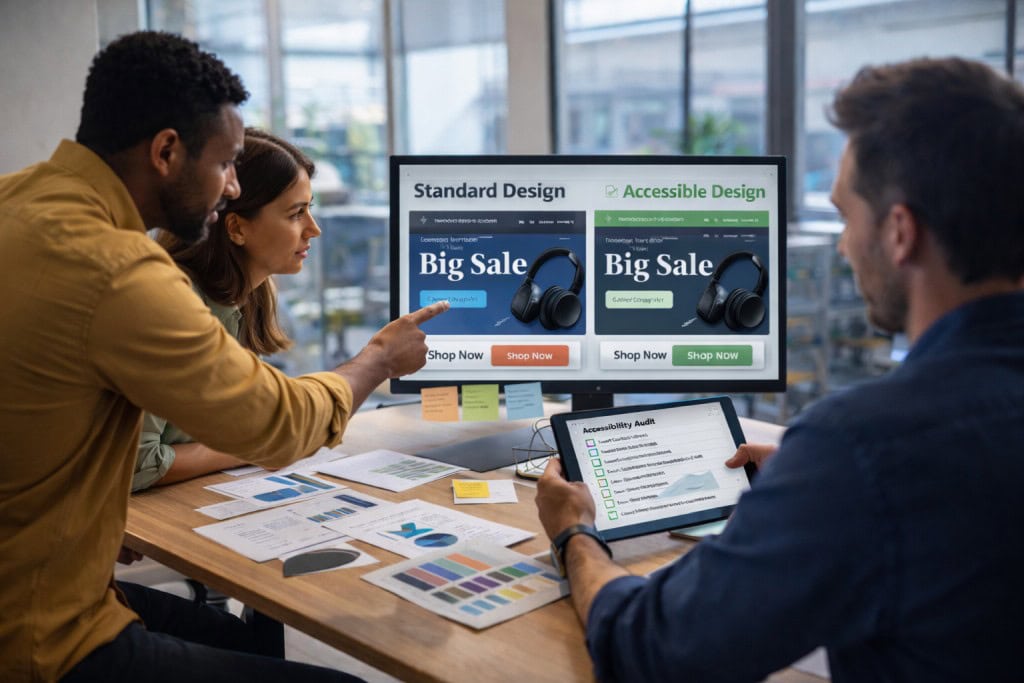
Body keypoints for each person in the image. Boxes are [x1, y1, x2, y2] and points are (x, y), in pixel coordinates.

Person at [536, 56, 1024, 682]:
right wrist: (811, 494)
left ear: (900, 233)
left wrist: (575, 535)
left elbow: (654, 649)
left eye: (847, 217)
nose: (844, 245)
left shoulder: (867, 446)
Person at [0, 31, 447, 682]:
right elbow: (276, 422)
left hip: (46, 570)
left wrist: (92, 513)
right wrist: (377, 358)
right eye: (226, 162)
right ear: (166, 152)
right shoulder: (119, 270)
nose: (231, 184)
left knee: (242, 639)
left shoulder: (17, 200)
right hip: (38, 633)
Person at [134, 128, 323, 490]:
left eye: (309, 210)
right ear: (236, 228)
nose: (313, 230)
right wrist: (253, 448)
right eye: (296, 213)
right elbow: (139, 464)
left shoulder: (248, 294)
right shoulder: (171, 303)